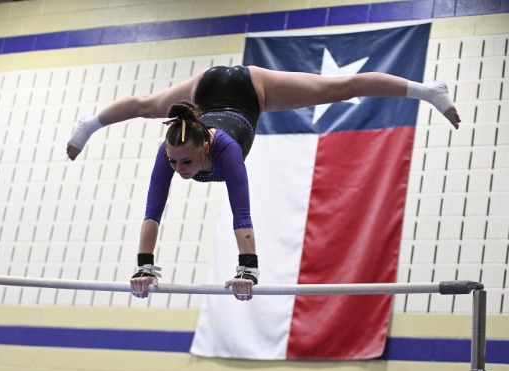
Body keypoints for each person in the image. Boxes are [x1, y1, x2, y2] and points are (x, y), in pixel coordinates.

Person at [66, 65, 461, 301]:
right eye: (174, 162)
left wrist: (247, 269)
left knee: (340, 89)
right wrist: (144, 267)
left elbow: (241, 213)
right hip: (204, 89)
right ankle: (89, 124)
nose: (180, 169)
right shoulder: (171, 147)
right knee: (145, 106)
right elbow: (153, 211)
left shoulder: (226, 150)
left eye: (186, 161)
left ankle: (427, 91)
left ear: (205, 147)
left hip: (251, 88)